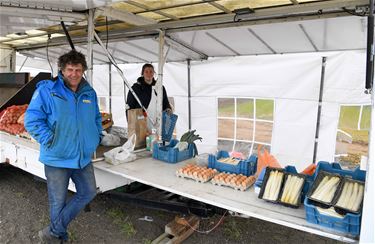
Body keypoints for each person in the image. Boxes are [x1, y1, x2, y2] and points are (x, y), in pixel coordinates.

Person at [25, 50, 102, 243]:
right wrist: (50, 140)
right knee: (58, 201)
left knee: (89, 191)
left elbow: (96, 118)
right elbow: (32, 120)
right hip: (57, 157)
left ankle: (53, 232)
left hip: (82, 157)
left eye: (78, 70)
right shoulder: (47, 90)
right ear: (62, 69)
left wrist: (96, 137)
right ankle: (60, 237)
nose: (74, 74)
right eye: (70, 69)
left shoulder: (89, 92)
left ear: (83, 70)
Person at [126, 63, 172, 130]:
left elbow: (165, 102)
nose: (149, 74)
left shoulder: (160, 87)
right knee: (143, 139)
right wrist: (131, 124)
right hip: (140, 122)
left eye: (151, 71)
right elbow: (129, 107)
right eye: (146, 71)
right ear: (142, 73)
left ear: (154, 73)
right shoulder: (135, 88)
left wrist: (168, 109)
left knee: (155, 139)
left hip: (157, 121)